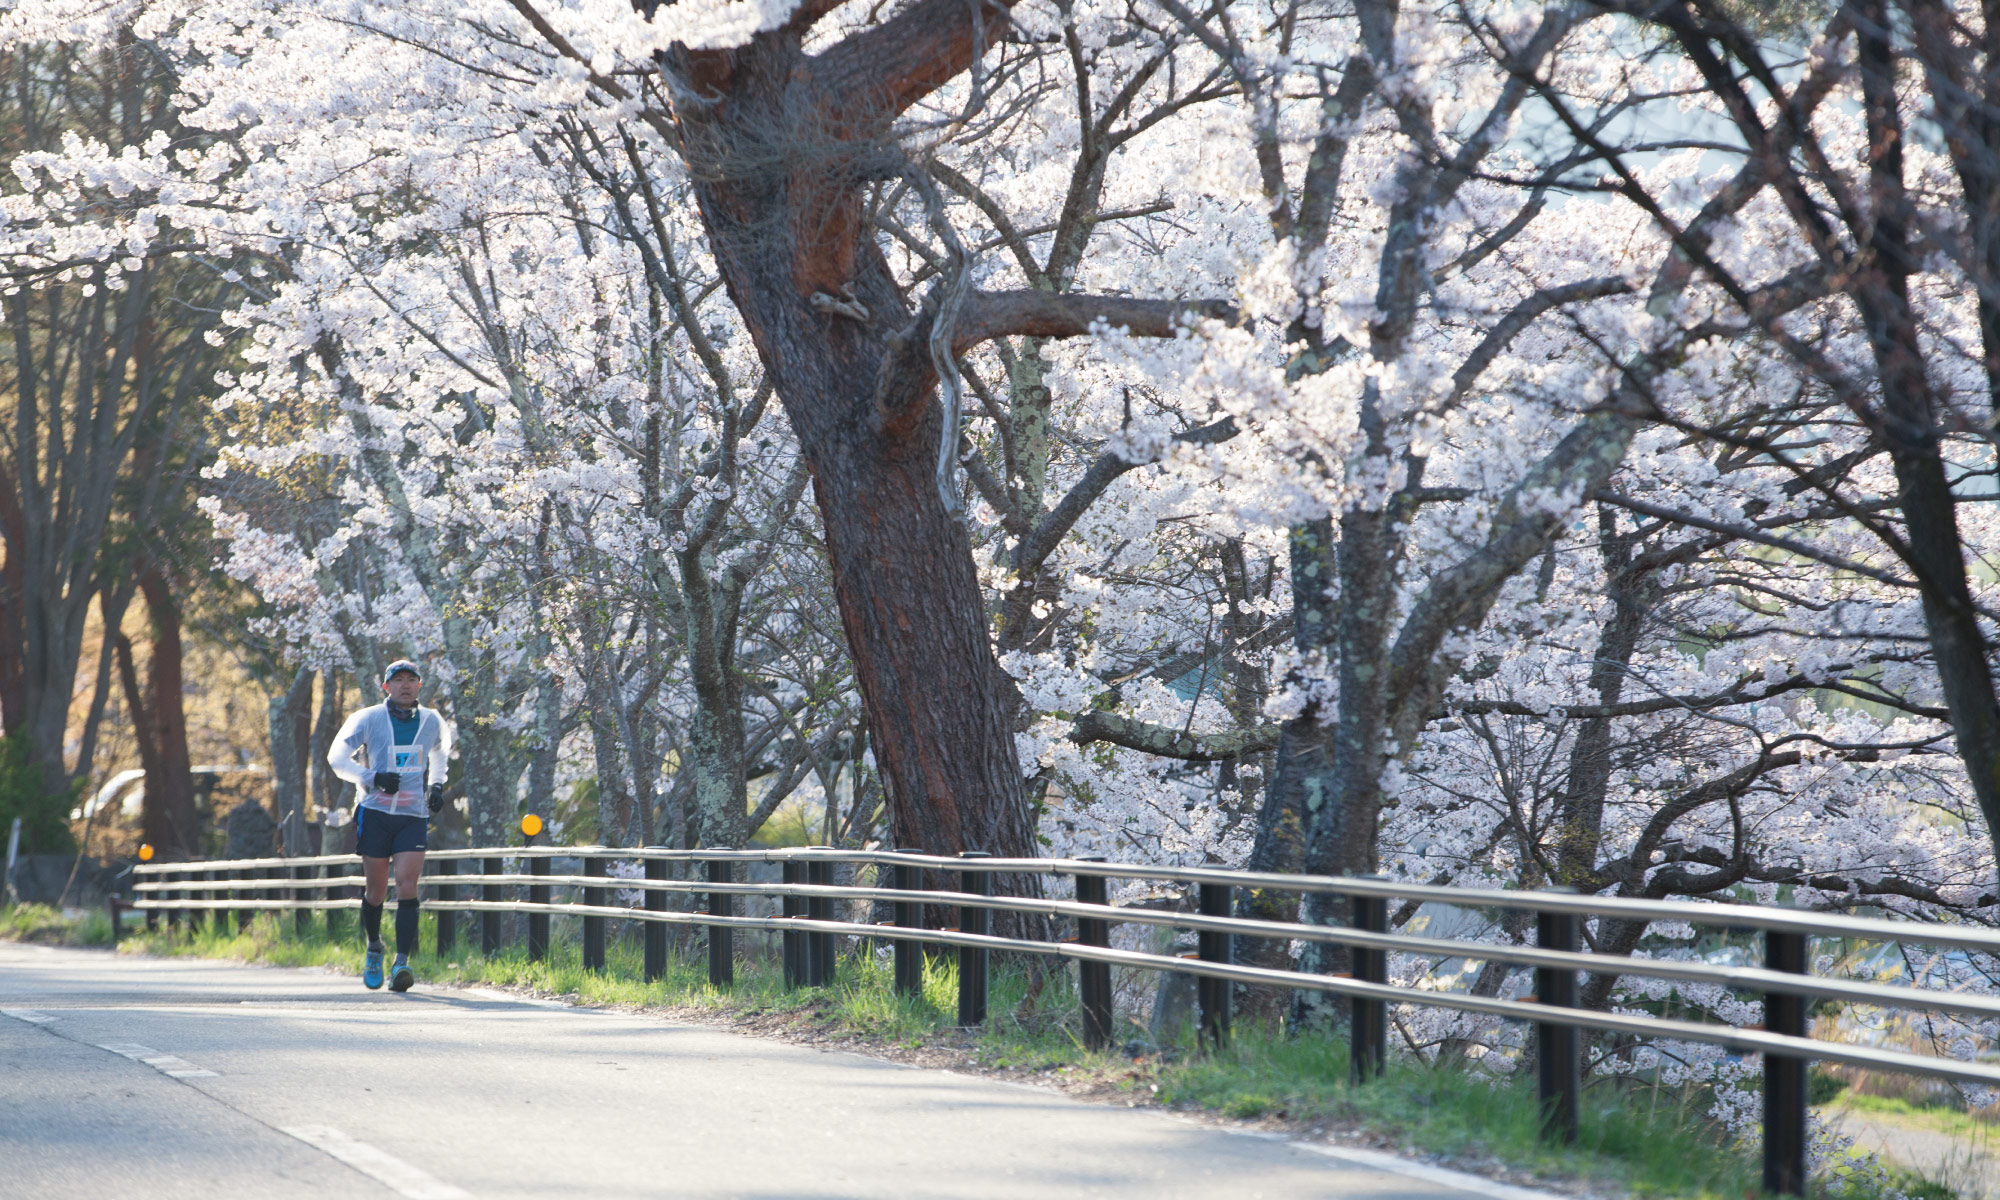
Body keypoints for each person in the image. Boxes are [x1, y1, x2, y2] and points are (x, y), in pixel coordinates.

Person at [327, 659, 452, 992]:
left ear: (419, 686)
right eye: (398, 680)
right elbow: (336, 758)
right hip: (376, 812)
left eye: (412, 680)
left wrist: (436, 786)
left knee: (408, 885)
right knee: (376, 890)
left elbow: (441, 753)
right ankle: (373, 946)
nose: (405, 686)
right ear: (386, 687)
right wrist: (372, 777)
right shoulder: (367, 719)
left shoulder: (430, 720)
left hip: (413, 814)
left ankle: (401, 962)